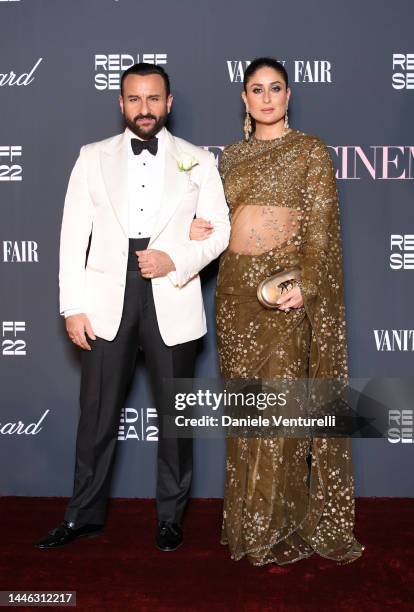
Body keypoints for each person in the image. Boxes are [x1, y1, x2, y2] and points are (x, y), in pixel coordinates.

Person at [35, 63, 230, 551]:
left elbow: (220, 230)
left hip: (171, 290)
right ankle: (83, 515)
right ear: (121, 103)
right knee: (96, 416)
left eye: (153, 99)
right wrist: (72, 307)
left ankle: (170, 516)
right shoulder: (92, 157)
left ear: (170, 102)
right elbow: (71, 237)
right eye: (135, 99)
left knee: (174, 419)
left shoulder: (198, 160)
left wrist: (175, 258)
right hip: (105, 298)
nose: (145, 109)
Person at [190, 57, 364, 565]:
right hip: (235, 298)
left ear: (289, 95)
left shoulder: (310, 151)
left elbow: (322, 229)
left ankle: (274, 526)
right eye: (256, 89)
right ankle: (246, 522)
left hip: (283, 294)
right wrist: (198, 230)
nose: (266, 98)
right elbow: (220, 224)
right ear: (244, 99)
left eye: (275, 88)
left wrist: (306, 286)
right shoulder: (230, 160)